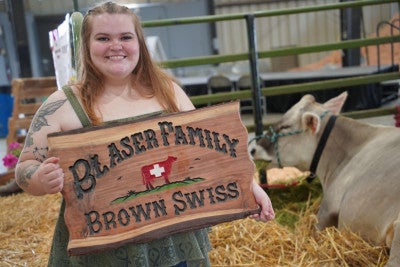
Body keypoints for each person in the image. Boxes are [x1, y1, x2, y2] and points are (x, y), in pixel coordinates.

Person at [15, 2, 275, 266]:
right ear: (87, 45)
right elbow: (25, 166)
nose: (115, 46)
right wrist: (39, 178)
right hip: (102, 247)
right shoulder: (61, 105)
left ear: (139, 43)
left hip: (172, 240)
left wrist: (250, 188)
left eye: (125, 37)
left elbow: (210, 155)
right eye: (103, 38)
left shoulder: (169, 92)